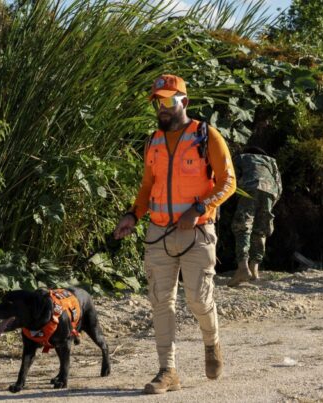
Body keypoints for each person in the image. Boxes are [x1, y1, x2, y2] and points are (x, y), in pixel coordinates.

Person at [113, 74, 236, 394]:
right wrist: (132, 215)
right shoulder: (153, 140)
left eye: (169, 100)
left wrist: (198, 209)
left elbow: (228, 182)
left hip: (197, 233)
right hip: (158, 233)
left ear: (185, 102)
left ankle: (212, 343)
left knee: (197, 298)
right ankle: (168, 371)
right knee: (160, 302)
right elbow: (147, 188)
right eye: (158, 102)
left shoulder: (206, 136)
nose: (162, 108)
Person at [228, 146, 282, 286]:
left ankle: (243, 268)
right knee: (261, 229)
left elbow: (231, 178)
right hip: (270, 191)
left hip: (249, 188)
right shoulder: (271, 161)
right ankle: (255, 269)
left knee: (243, 226)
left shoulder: (241, 158)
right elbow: (279, 186)